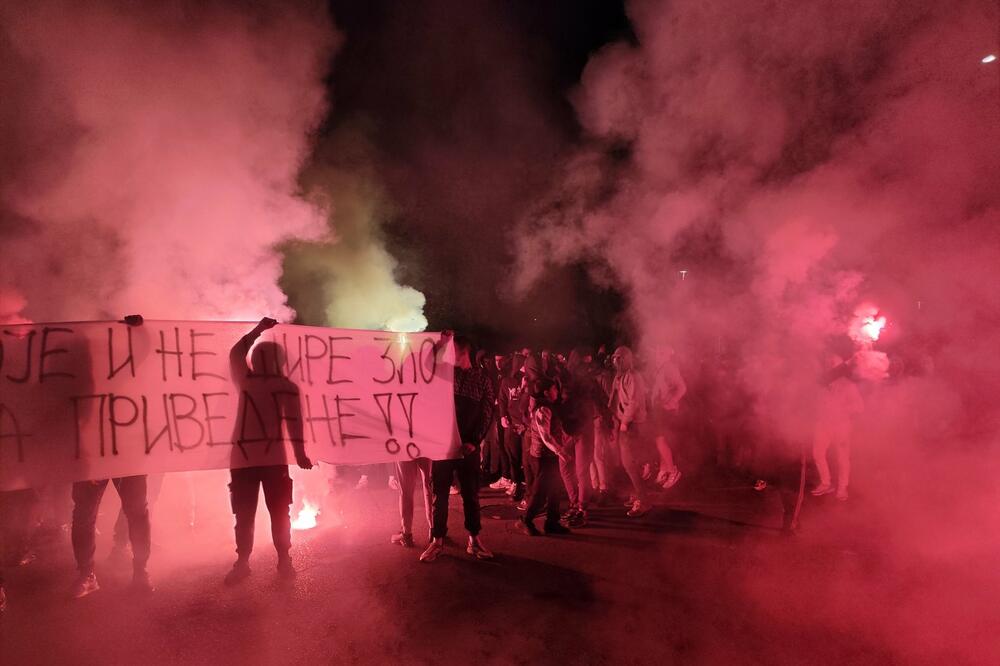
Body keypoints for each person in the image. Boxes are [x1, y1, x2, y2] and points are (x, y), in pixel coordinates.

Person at [70, 314, 152, 598]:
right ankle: (86, 574)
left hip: (128, 452)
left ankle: (140, 571)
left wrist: (138, 330)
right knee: (83, 515)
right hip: (91, 457)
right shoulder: (79, 374)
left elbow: (144, 350)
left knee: (137, 513)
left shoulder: (124, 368)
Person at [225, 317, 312, 584]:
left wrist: (259, 330)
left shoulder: (247, 380)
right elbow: (294, 425)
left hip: (245, 459)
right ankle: (279, 561)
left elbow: (236, 352)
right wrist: (299, 456)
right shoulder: (285, 387)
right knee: (274, 512)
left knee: (247, 513)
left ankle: (248, 562)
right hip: (270, 460)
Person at [420, 333, 495, 562]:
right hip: (443, 447)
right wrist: (442, 344)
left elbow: (487, 413)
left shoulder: (482, 380)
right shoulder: (445, 375)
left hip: (468, 449)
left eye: (453, 351)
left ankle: (474, 539)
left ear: (465, 353)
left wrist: (474, 441)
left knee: (470, 495)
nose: (449, 356)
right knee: (439, 494)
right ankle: (437, 540)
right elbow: (426, 365)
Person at [518, 379, 573, 536]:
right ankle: (525, 520)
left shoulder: (551, 407)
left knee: (554, 489)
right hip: (543, 456)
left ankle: (552, 522)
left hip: (550, 455)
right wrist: (561, 452)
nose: (557, 391)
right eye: (554, 388)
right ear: (546, 392)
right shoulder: (543, 409)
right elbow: (546, 437)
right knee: (540, 492)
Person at [812, 355, 864, 501]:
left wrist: (843, 410)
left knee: (842, 458)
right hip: (823, 424)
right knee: (818, 453)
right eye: (827, 366)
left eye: (831, 366)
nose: (828, 368)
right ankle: (826, 483)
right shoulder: (822, 385)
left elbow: (860, 407)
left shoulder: (849, 386)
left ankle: (842, 488)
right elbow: (816, 403)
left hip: (842, 426)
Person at [609, 346, 650, 517]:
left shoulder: (633, 377)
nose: (615, 361)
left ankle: (643, 501)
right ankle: (638, 494)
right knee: (629, 463)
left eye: (618, 358)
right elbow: (616, 399)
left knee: (630, 463)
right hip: (625, 423)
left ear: (625, 359)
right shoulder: (621, 376)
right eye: (614, 358)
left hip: (632, 424)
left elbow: (634, 402)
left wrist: (625, 422)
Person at [648, 345, 686, 489]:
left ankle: (672, 471)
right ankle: (664, 469)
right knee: (659, 441)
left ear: (667, 355)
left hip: (665, 411)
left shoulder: (670, 367)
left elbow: (682, 387)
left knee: (660, 441)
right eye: (657, 352)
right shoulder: (662, 368)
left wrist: (671, 401)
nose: (657, 355)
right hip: (659, 410)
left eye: (660, 353)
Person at [389, 457, 433, 548]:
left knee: (406, 489)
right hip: (425, 446)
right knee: (429, 486)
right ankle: (434, 529)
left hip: (405, 446)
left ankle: (406, 534)